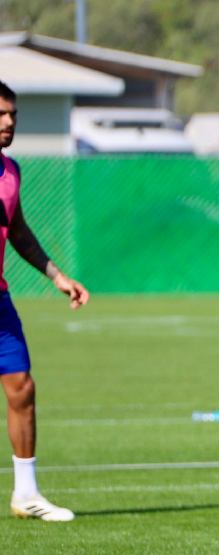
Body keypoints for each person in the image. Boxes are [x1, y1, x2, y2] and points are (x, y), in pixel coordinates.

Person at [0, 81, 90, 522]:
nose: (8, 122)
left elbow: (17, 231)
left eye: (12, 115)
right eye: (0, 114)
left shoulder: (10, 171)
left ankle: (26, 493)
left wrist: (57, 276)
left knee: (22, 388)